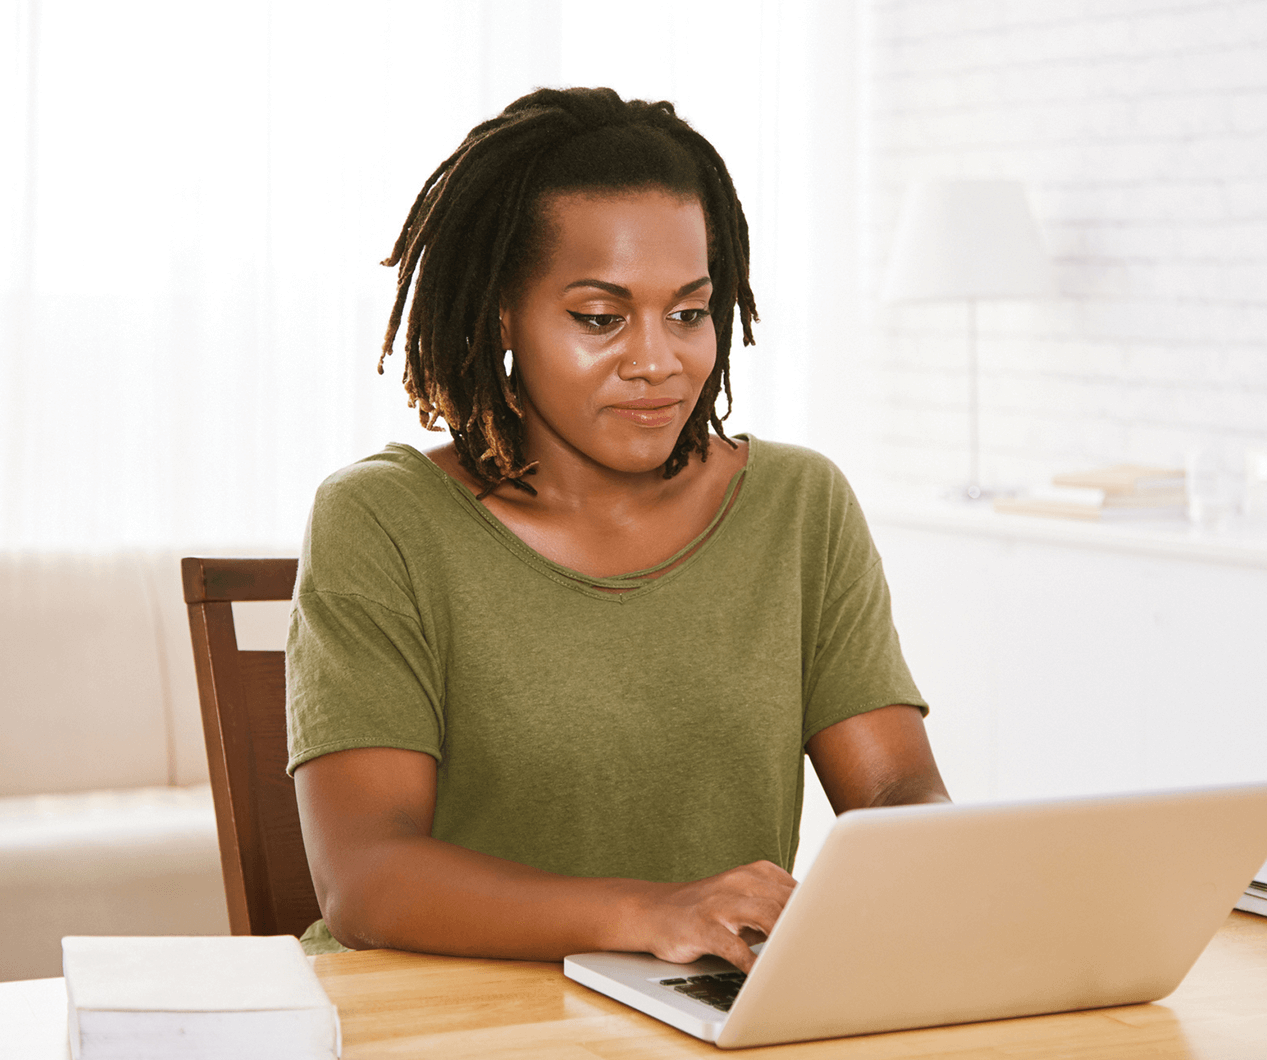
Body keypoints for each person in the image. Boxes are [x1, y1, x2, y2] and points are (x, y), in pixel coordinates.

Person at [287, 87, 948, 974]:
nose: (657, 361)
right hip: (452, 1020)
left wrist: (955, 868)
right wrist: (650, 912)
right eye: (600, 318)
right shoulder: (382, 520)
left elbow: (897, 788)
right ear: (502, 314)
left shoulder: (800, 505)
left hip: (704, 1013)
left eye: (688, 312)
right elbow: (366, 877)